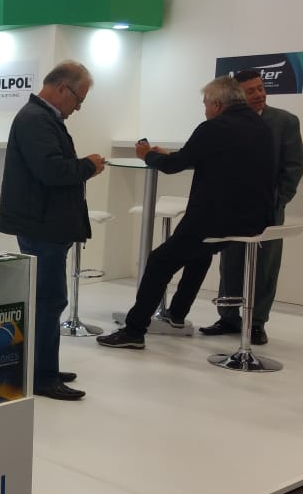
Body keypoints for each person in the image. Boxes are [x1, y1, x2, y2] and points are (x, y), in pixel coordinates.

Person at [97, 75, 276, 350]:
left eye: (205, 104)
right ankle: (177, 315)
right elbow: (213, 159)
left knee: (159, 261)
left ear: (217, 104)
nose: (204, 110)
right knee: (199, 254)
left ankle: (134, 331)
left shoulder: (213, 127)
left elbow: (175, 166)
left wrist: (148, 155)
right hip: (254, 221)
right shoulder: (261, 127)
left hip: (216, 219)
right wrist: (168, 155)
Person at [0, 61, 105, 401]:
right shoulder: (36, 119)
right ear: (62, 88)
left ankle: (44, 367)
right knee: (48, 300)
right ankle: (42, 376)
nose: (78, 108)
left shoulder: (41, 118)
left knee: (48, 299)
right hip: (41, 226)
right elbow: (51, 171)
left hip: (46, 224)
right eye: (79, 99)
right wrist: (87, 166)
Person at [200, 69, 303, 345]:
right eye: (251, 91)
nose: (259, 94)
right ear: (237, 95)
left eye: (260, 88)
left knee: (265, 267)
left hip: (268, 209)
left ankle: (256, 323)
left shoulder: (285, 122)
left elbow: (294, 167)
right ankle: (228, 317)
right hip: (233, 208)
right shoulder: (225, 123)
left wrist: (278, 200)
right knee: (230, 263)